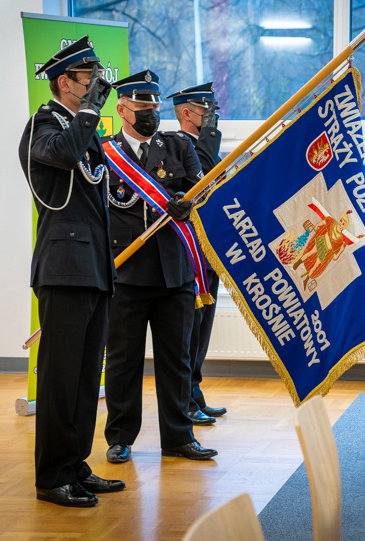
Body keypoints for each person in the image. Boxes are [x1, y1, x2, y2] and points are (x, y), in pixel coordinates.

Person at [18, 36, 125, 507]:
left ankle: (75, 464)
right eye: (91, 81)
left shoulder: (86, 131)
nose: (99, 88)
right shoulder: (43, 125)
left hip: (95, 268)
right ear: (66, 82)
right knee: (60, 379)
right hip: (64, 269)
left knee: (85, 379)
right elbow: (60, 155)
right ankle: (51, 477)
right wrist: (86, 116)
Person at [102, 70, 218, 463]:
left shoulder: (177, 146)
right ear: (122, 109)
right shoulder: (104, 153)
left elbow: (200, 190)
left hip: (175, 273)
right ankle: (120, 436)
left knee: (177, 360)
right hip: (126, 274)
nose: (151, 114)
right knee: (122, 362)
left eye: (154, 107)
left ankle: (179, 436)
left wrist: (188, 201)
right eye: (142, 107)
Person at [166, 83, 227, 425]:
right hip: (190, 255)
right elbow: (200, 180)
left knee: (202, 331)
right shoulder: (179, 145)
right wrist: (211, 135)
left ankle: (195, 394)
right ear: (187, 113)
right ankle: (186, 401)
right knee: (188, 333)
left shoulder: (204, 145)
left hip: (207, 253)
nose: (211, 120)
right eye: (206, 113)